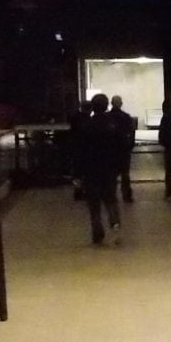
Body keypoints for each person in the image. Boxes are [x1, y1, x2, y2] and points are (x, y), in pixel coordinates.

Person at [70, 97, 121, 244]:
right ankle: (115, 224)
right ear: (106, 106)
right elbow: (119, 147)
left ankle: (97, 232)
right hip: (109, 169)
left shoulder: (86, 126)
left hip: (91, 170)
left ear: (93, 107)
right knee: (110, 199)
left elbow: (79, 151)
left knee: (94, 203)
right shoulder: (112, 125)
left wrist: (77, 173)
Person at [106, 94, 138, 204]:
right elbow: (131, 133)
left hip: (110, 150)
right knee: (125, 175)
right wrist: (130, 145)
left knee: (111, 175)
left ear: (111, 103)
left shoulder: (107, 117)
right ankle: (127, 196)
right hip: (123, 150)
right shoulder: (126, 117)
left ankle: (110, 196)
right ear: (121, 104)